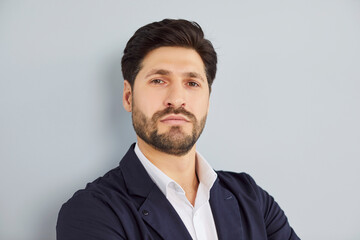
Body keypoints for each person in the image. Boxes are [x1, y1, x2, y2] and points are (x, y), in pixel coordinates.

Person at [56, 19, 300, 240]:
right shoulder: (92, 212)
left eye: (192, 83)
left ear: (208, 99)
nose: (176, 99)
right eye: (158, 81)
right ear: (129, 97)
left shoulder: (252, 200)